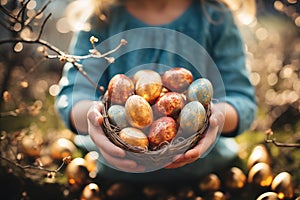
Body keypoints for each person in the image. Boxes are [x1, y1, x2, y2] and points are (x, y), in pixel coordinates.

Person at [56, 0, 257, 182]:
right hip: (116, 173)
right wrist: (95, 120)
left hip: (205, 171)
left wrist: (215, 117)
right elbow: (73, 97)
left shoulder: (214, 16)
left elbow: (242, 100)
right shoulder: (102, 17)